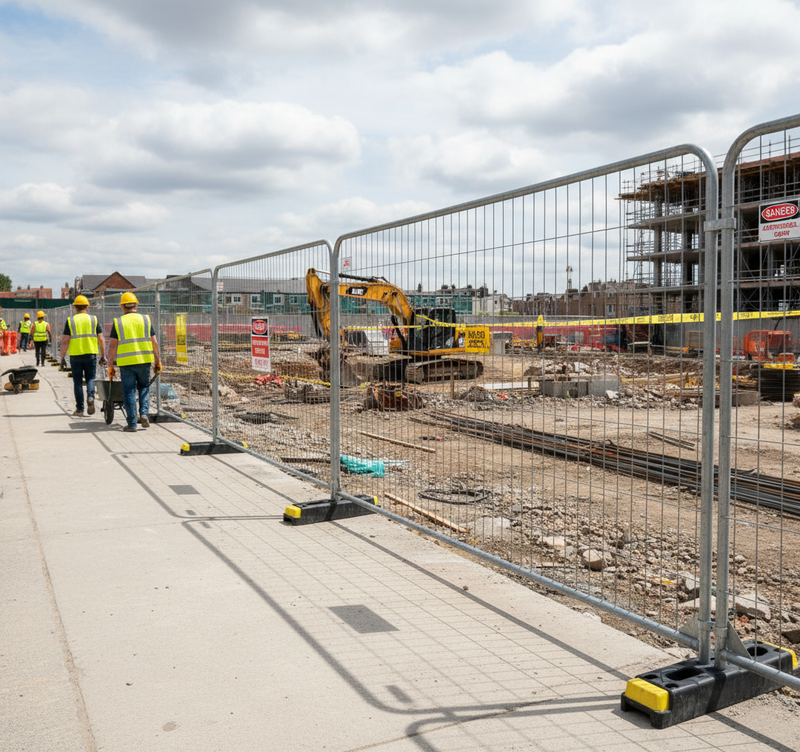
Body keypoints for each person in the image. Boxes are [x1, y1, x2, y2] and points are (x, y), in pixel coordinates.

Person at [107, 292, 161, 432]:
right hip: (144, 361)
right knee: (144, 387)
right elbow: (154, 342)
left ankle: (132, 424)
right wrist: (157, 361)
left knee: (129, 392)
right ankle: (143, 413)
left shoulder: (118, 322)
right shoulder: (146, 320)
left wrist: (110, 364)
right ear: (136, 305)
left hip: (126, 363)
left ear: (122, 307)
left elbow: (113, 345)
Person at [60, 295, 105, 417]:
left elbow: (65, 341)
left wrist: (62, 357)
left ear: (75, 307)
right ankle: (90, 396)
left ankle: (80, 409)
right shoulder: (93, 319)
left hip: (75, 355)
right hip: (91, 354)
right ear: (87, 307)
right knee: (90, 378)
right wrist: (103, 355)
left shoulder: (71, 321)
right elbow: (101, 339)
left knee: (78, 382)